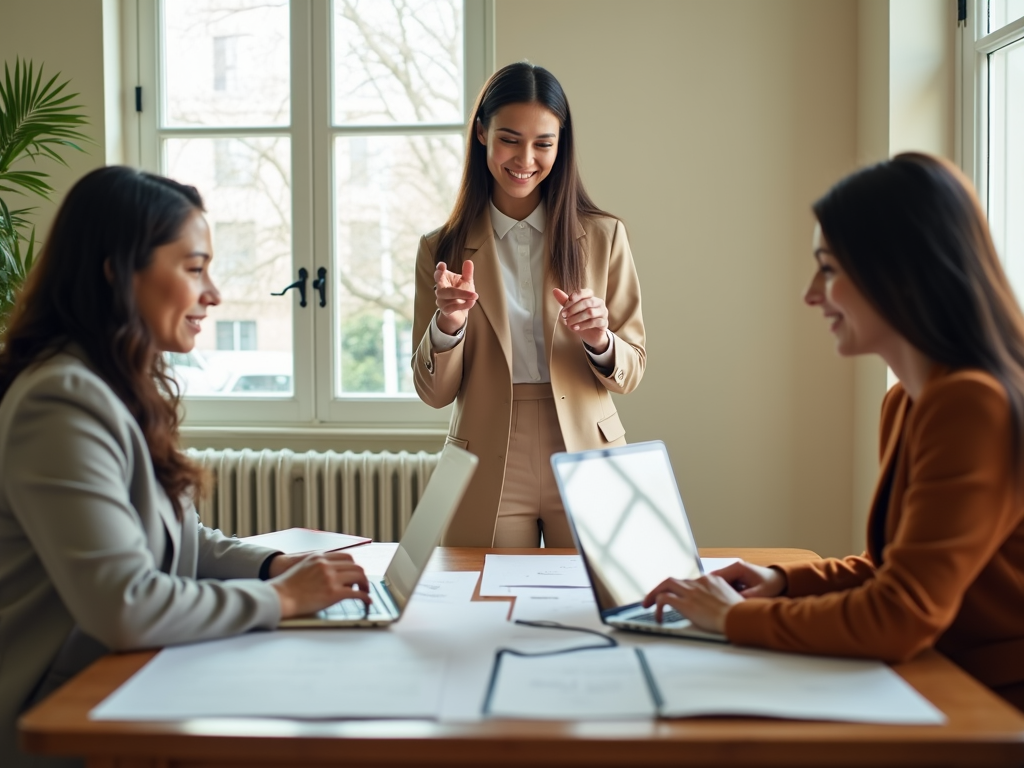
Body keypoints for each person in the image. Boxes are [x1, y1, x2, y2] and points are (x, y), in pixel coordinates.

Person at [0, 166, 370, 767]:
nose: (215, 294)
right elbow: (126, 605)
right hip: (62, 712)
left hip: (125, 681)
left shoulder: (113, 383)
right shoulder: (61, 401)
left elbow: (181, 544)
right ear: (119, 272)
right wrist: (282, 600)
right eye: (194, 268)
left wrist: (277, 565)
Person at [643, 153, 1024, 711]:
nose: (811, 294)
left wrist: (734, 617)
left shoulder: (970, 403)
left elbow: (900, 614)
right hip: (941, 676)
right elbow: (895, 570)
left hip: (989, 704)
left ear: (897, 273)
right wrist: (781, 582)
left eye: (828, 268)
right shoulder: (907, 401)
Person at [411, 62, 646, 548]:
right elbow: (433, 393)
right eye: (510, 139)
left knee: (594, 605)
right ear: (481, 133)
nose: (525, 158)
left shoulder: (604, 237)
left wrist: (599, 340)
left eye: (544, 143)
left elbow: (632, 371)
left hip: (587, 453)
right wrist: (448, 324)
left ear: (562, 146)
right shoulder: (441, 249)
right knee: (487, 608)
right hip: (488, 454)